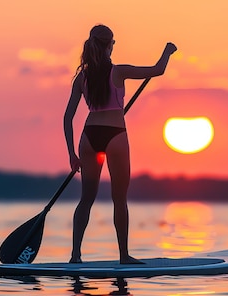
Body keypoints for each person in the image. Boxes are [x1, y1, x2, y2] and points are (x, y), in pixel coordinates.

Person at [63, 24, 177, 264]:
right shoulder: (119, 71)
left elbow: (67, 117)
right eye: (113, 43)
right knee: (119, 199)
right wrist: (167, 51)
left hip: (89, 136)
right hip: (115, 135)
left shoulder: (81, 78)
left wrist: (72, 154)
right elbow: (158, 70)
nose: (114, 47)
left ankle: (75, 256)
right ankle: (124, 256)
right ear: (107, 46)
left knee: (86, 199)